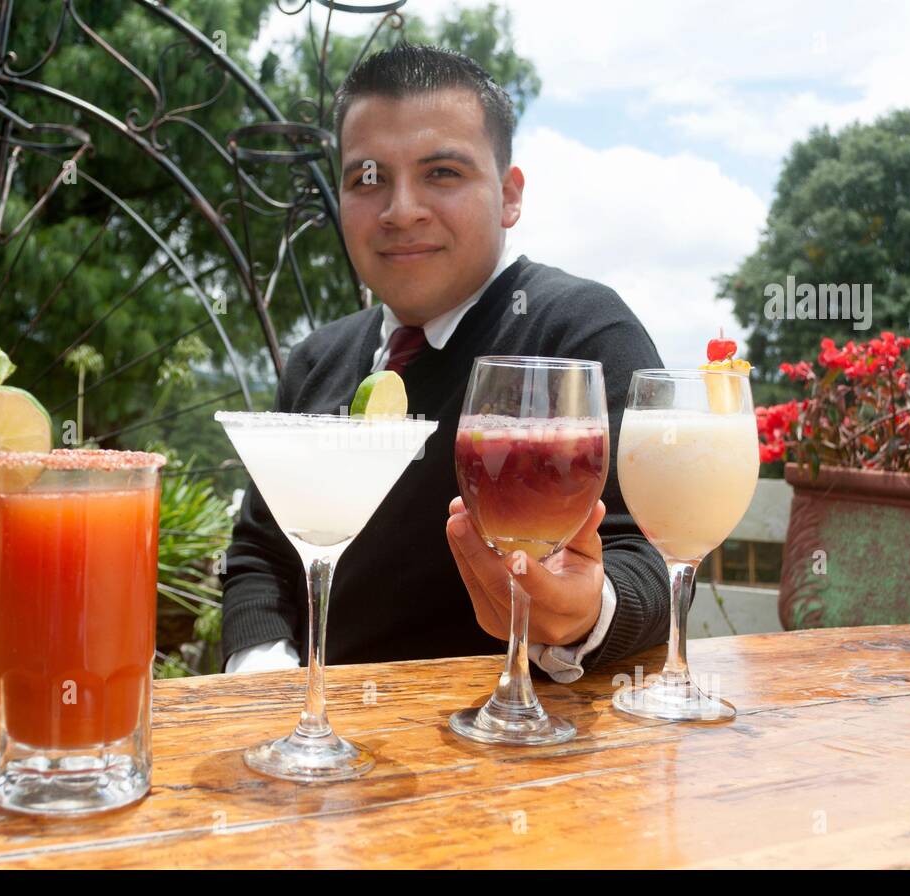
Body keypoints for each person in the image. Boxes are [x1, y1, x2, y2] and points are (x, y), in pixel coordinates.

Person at [220, 43, 669, 681]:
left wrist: (584, 611)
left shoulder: (579, 335)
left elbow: (648, 556)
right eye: (367, 179)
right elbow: (261, 551)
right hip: (319, 751)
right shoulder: (316, 361)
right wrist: (265, 677)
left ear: (510, 196)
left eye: (443, 173)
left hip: (504, 761)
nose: (402, 210)